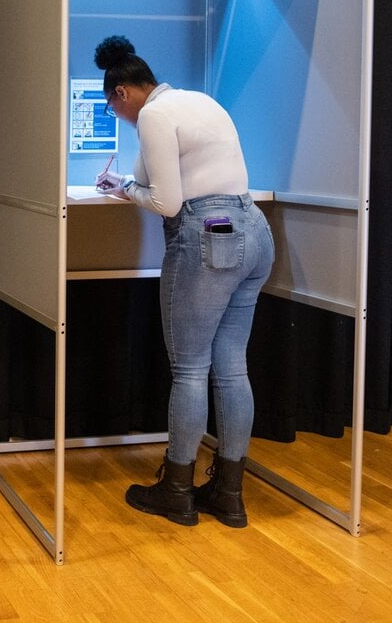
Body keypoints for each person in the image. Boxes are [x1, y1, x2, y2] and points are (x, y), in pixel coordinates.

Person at [93, 34, 274, 528]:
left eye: (112, 108)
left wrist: (126, 192)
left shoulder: (153, 115)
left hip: (208, 236)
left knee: (191, 369)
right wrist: (128, 185)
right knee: (231, 369)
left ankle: (176, 491)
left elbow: (168, 203)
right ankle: (229, 494)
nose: (118, 116)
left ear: (122, 93)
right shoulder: (198, 100)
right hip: (254, 231)